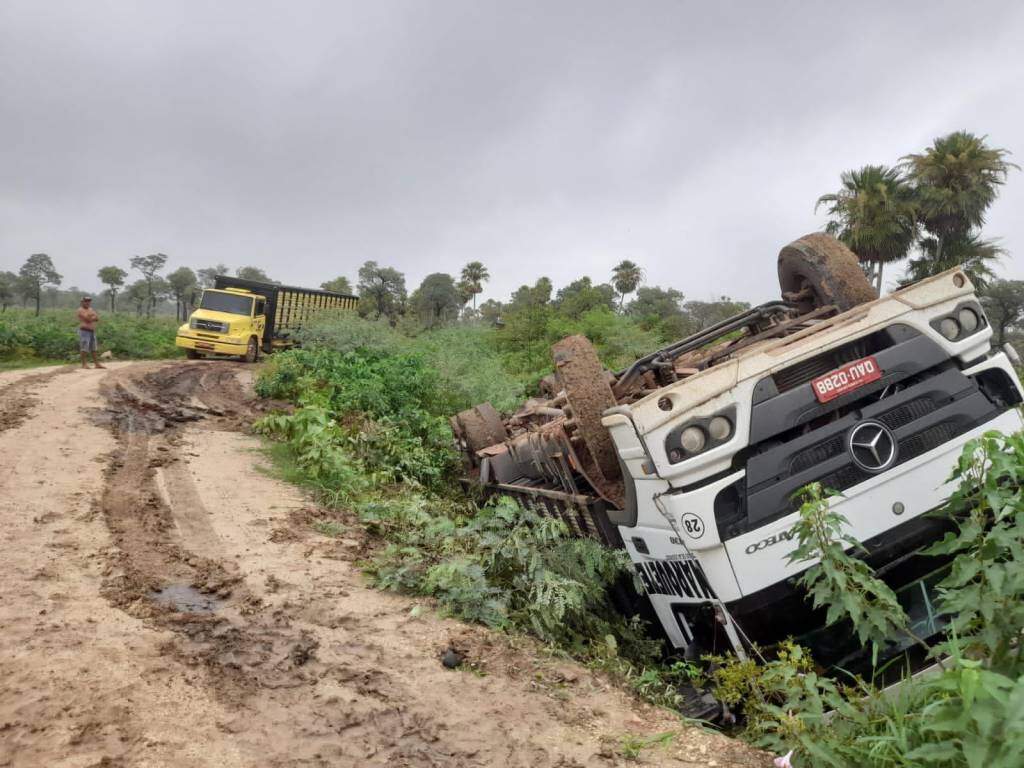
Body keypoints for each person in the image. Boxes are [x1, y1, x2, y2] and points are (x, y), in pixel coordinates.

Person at [76, 296, 105, 369]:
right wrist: (92, 316)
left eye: (89, 301)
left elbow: (97, 318)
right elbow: (88, 319)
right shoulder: (80, 310)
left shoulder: (90, 309)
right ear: (82, 302)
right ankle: (84, 364)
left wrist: (92, 316)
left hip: (92, 331)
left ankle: (97, 364)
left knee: (94, 348)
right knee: (84, 348)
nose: (88, 302)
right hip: (84, 331)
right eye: (86, 301)